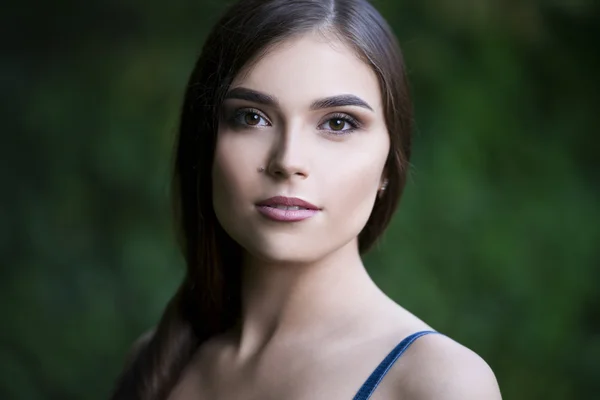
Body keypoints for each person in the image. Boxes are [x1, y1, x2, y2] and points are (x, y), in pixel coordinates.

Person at [111, 0, 502, 399]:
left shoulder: (438, 382)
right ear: (205, 143)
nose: (288, 161)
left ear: (389, 163)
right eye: (251, 117)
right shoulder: (153, 363)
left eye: (337, 123)